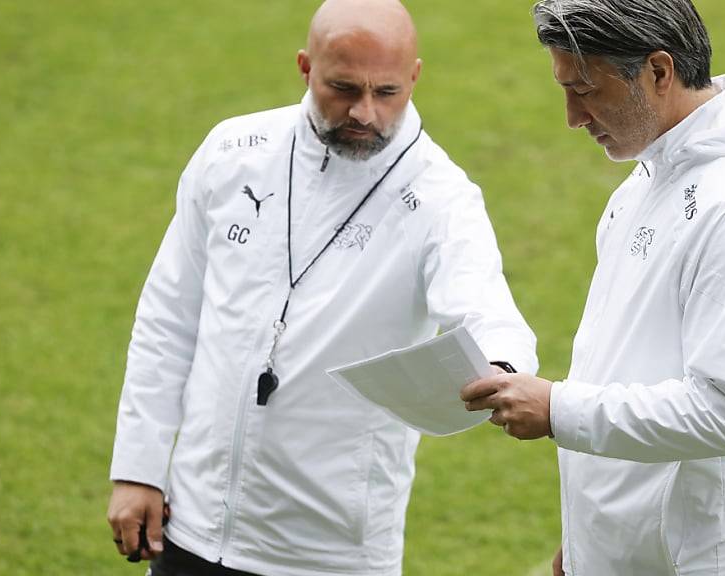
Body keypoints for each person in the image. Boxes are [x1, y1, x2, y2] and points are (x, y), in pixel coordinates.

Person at [106, 1, 538, 574]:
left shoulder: (442, 198)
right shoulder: (232, 152)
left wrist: (505, 366)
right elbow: (169, 316)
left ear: (414, 76)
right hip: (193, 525)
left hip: (332, 552)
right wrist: (139, 467)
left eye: (386, 92)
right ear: (305, 67)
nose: (365, 112)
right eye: (343, 88)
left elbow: (485, 304)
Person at [461, 1, 725, 574]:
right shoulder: (650, 176)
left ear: (657, 71)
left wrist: (557, 408)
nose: (573, 117)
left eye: (585, 90)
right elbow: (628, 365)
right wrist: (585, 543)